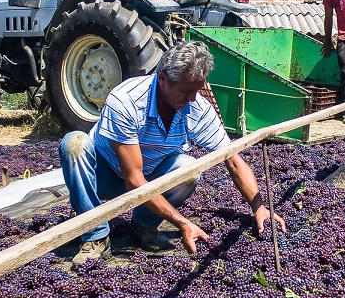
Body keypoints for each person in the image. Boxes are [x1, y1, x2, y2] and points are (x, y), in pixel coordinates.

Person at [59, 41, 286, 266]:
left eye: (197, 90)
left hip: (148, 176)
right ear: (163, 79)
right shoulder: (127, 100)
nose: (193, 99)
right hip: (104, 175)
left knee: (189, 170)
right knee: (74, 144)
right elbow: (133, 180)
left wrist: (259, 207)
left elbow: (233, 159)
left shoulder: (196, 109)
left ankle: (143, 225)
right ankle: (96, 236)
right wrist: (183, 223)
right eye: (186, 91)